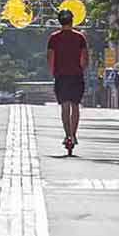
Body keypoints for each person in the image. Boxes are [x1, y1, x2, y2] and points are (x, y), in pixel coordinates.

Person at [47, 9, 89, 152]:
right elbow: (85, 57)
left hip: (61, 76)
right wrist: (81, 70)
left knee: (65, 106)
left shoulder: (54, 37)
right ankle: (74, 134)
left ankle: (67, 135)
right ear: (72, 21)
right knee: (75, 105)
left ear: (59, 21)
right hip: (76, 76)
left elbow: (50, 57)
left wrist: (54, 71)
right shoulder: (80, 37)